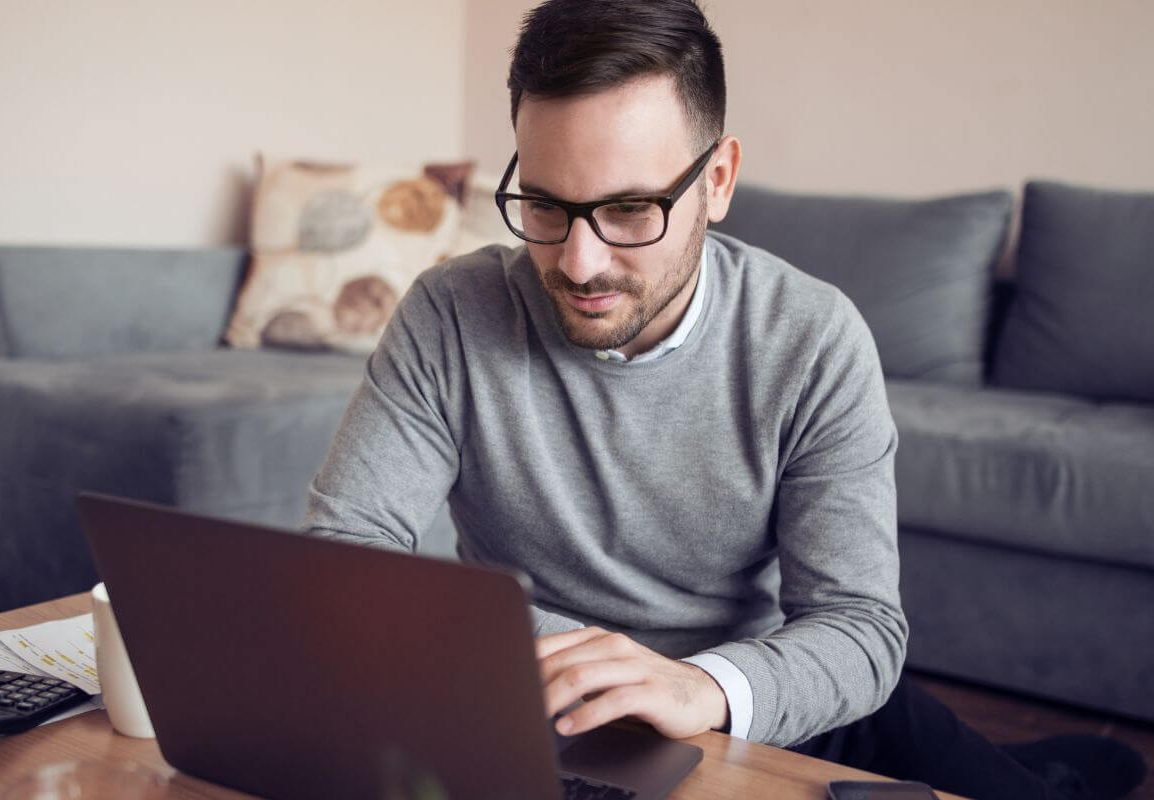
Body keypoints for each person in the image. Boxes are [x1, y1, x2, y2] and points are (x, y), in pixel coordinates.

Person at [304, 2, 1145, 798]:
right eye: (547, 206)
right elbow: (344, 553)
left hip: (749, 699)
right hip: (530, 708)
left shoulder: (814, 338)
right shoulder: (451, 311)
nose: (581, 262)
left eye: (631, 209)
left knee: (960, 760)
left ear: (719, 180)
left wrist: (701, 685)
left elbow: (858, 629)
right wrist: (573, 664)